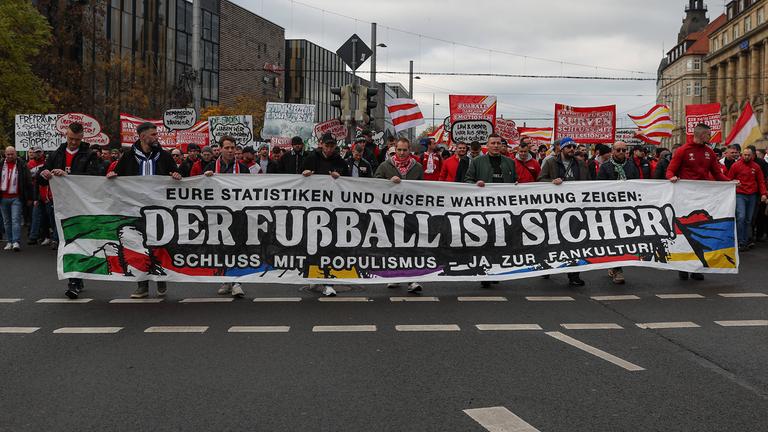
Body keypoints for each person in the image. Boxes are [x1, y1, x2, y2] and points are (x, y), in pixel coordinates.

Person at [108, 122, 181, 298]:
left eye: (157, 134)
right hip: (135, 209)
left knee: (159, 244)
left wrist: (177, 175)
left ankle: (160, 277)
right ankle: (142, 285)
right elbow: (117, 176)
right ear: (142, 137)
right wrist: (112, 176)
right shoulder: (127, 157)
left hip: (159, 210)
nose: (157, 137)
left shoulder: (163, 156)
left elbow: (177, 175)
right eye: (153, 134)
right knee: (138, 245)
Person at [39, 122, 102, 298]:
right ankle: (76, 277)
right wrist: (44, 174)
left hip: (80, 205)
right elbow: (43, 175)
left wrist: (69, 176)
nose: (73, 142)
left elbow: (95, 178)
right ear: (66, 136)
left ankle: (74, 280)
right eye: (70, 139)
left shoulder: (89, 155)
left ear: (82, 137)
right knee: (65, 241)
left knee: (75, 241)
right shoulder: (56, 153)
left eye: (76, 139)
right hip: (59, 204)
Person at [667, 123, 732, 281]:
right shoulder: (683, 150)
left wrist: (730, 183)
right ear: (701, 134)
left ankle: (696, 268)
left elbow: (717, 173)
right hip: (685, 198)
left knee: (701, 232)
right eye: (708, 134)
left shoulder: (709, 151)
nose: (710, 137)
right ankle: (682, 266)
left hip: (703, 199)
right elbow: (670, 170)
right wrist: (672, 178)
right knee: (684, 232)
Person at [465, 133, 517, 289]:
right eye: (493, 143)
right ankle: (485, 272)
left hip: (503, 209)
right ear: (487, 145)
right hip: (484, 208)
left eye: (498, 143)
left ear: (502, 146)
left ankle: (497, 270)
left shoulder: (510, 162)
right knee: (485, 240)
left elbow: (515, 181)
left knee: (501, 240)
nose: (496, 146)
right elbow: (467, 180)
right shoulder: (477, 161)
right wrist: (476, 184)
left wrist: (516, 185)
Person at [374, 137, 425, 293]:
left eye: (405, 150)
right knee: (392, 244)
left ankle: (412, 279)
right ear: (394, 150)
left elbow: (423, 189)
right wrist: (388, 181)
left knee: (411, 245)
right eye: (399, 150)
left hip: (410, 213)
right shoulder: (384, 166)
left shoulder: (417, 168)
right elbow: (374, 183)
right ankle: (394, 277)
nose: (402, 153)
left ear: (410, 150)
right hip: (390, 212)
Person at [302, 133, 349, 297]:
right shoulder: (310, 158)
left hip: (333, 209)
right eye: (326, 145)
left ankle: (328, 281)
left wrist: (340, 178)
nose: (329, 149)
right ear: (321, 144)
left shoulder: (340, 161)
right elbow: (294, 178)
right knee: (313, 243)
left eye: (332, 146)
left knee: (329, 244)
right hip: (312, 209)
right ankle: (314, 274)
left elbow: (350, 183)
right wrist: (304, 174)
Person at [203, 136, 249, 298]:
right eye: (227, 148)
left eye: (233, 148)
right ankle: (225, 280)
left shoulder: (243, 169)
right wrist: (205, 178)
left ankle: (237, 282)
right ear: (220, 149)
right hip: (217, 215)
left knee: (237, 247)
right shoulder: (210, 167)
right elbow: (198, 189)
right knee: (220, 247)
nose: (230, 151)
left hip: (237, 214)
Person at [539, 137, 589, 286]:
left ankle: (573, 274)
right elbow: (541, 179)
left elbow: (587, 182)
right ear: (561, 149)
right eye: (569, 147)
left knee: (575, 241)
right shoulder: (550, 162)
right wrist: (552, 182)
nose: (572, 150)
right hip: (555, 209)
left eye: (574, 147)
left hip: (575, 208)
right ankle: (547, 266)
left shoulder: (580, 163)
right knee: (552, 238)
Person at [597, 141, 640, 284]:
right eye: (618, 150)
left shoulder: (631, 166)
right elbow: (599, 187)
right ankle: (617, 268)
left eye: (624, 150)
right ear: (613, 151)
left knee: (624, 238)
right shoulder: (605, 167)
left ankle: (614, 265)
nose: (621, 152)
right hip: (611, 208)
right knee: (613, 238)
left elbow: (638, 185)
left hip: (627, 209)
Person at [728, 148, 767, 251]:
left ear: (752, 156)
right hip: (740, 194)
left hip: (752, 195)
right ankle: (741, 241)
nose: (746, 157)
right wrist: (734, 184)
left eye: (748, 155)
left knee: (749, 220)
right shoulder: (735, 166)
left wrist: (764, 194)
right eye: (745, 155)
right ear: (742, 155)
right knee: (741, 217)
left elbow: (761, 181)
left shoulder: (756, 166)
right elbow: (729, 179)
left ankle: (744, 241)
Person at [1, 147, 33, 252]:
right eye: (8, 154)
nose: (10, 156)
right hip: (3, 198)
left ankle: (16, 242)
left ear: (16, 154)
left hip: (17, 197)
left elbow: (28, 181)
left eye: (12, 154)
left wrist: (29, 197)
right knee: (6, 221)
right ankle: (9, 241)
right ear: (5, 154)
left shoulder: (22, 164)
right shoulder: (1, 164)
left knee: (15, 220)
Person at [26, 147, 48, 245]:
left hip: (46, 191)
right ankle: (33, 236)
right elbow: (27, 179)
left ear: (42, 153)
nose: (37, 154)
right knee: (35, 215)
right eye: (36, 152)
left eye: (39, 152)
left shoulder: (47, 163)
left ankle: (44, 236)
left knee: (46, 217)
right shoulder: (29, 164)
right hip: (35, 191)